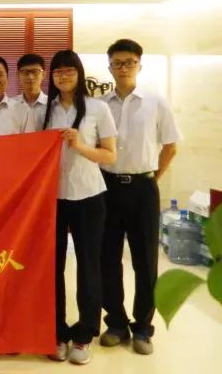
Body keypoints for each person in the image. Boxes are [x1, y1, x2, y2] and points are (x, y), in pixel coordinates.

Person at [99, 39, 181, 355]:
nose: (123, 68)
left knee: (145, 261)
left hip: (143, 189)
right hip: (107, 188)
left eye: (129, 62)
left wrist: (151, 180)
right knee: (107, 258)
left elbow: (171, 146)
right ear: (109, 67)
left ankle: (143, 328)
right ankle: (116, 323)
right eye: (117, 63)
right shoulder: (99, 104)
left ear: (139, 65)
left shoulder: (156, 102)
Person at [43, 49, 117, 365]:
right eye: (58, 71)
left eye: (69, 70)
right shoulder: (44, 110)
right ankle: (57, 332)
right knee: (52, 268)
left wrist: (80, 145)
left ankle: (85, 335)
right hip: (51, 198)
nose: (63, 76)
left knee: (88, 267)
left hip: (89, 196)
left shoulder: (98, 108)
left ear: (79, 73)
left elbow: (110, 155)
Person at [13, 53, 48, 132]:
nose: (30, 77)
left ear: (43, 74)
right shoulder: (11, 105)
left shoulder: (51, 105)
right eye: (25, 72)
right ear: (18, 75)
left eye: (35, 72)